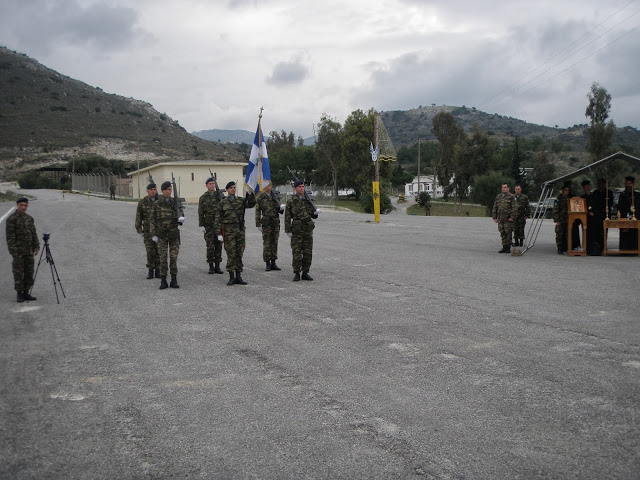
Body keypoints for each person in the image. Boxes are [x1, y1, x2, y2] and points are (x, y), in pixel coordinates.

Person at [215, 181, 256, 285]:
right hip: (229, 232)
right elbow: (218, 219)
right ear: (227, 190)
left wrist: (250, 194)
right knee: (231, 253)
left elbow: (251, 204)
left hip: (240, 230)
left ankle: (239, 276)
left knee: (239, 253)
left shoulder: (240, 201)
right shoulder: (223, 203)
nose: (233, 189)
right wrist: (218, 233)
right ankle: (231, 276)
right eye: (231, 188)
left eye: (234, 187)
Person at [150, 181, 184, 289]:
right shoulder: (157, 204)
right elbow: (152, 220)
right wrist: (153, 234)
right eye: (166, 190)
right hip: (162, 236)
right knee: (163, 259)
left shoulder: (175, 203)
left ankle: (174, 280)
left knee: (173, 258)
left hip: (174, 235)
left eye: (170, 190)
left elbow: (181, 216)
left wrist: (181, 218)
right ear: (162, 191)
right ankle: (163, 281)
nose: (168, 192)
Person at [6, 197, 39, 303]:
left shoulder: (29, 218)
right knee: (18, 272)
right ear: (17, 205)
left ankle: (26, 292)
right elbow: (10, 237)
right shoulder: (12, 219)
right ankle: (19, 293)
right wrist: (13, 251)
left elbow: (33, 233)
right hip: (18, 252)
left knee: (29, 271)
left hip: (29, 250)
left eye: (25, 205)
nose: (24, 207)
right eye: (22, 205)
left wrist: (36, 246)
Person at [285, 180, 318, 281]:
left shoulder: (308, 200)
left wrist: (315, 213)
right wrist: (288, 230)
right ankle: (296, 273)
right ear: (295, 189)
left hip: (307, 230)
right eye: (299, 187)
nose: (301, 188)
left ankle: (305, 272)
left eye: (303, 186)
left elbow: (313, 214)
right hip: (297, 230)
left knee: (308, 252)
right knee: (297, 252)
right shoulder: (291, 201)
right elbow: (287, 217)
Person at [255, 184, 284, 271]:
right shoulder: (260, 198)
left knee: (274, 242)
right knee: (267, 243)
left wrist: (281, 208)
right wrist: (258, 223)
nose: (269, 188)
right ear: (264, 187)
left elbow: (280, 211)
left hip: (275, 222)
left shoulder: (275, 196)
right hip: (266, 222)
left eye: (270, 186)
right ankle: (267, 262)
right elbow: (257, 211)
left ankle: (273, 262)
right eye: (267, 186)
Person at [198, 177, 224, 275]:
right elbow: (200, 212)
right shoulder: (203, 198)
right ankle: (211, 266)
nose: (212, 185)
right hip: (208, 225)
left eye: (213, 183)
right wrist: (201, 225)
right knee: (210, 246)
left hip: (219, 224)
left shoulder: (219, 196)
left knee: (218, 246)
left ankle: (217, 265)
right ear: (206, 186)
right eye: (210, 184)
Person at [135, 182, 160, 279]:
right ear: (147, 191)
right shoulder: (142, 202)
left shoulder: (160, 200)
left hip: (158, 231)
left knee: (158, 251)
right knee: (150, 251)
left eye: (155, 189)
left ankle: (158, 270)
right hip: (147, 231)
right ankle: (150, 270)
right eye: (151, 190)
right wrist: (139, 229)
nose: (153, 191)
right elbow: (138, 217)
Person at [492, 183, 516, 253]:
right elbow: (495, 207)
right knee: (502, 232)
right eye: (502, 187)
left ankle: (508, 247)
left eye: (505, 187)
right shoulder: (498, 196)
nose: (503, 189)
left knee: (508, 232)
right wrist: (494, 217)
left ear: (508, 188)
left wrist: (512, 217)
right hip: (500, 218)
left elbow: (514, 208)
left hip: (508, 219)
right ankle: (504, 246)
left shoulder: (511, 197)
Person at [591, 178, 613, 254]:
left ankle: (603, 246)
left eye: (600, 184)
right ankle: (597, 247)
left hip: (604, 214)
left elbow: (610, 203)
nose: (599, 185)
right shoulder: (595, 192)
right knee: (596, 232)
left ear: (604, 184)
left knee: (604, 232)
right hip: (596, 216)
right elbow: (593, 203)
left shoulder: (609, 192)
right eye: (598, 184)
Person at [617, 175, 639, 251]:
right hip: (624, 217)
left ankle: (635, 249)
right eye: (627, 184)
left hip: (635, 217)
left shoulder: (637, 195)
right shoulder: (622, 195)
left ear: (633, 184)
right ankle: (624, 250)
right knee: (625, 234)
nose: (628, 185)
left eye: (630, 184)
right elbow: (620, 206)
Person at [553, 183, 572, 254]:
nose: (566, 191)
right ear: (562, 191)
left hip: (568, 219)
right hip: (560, 219)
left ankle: (566, 248)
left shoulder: (569, 199)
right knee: (559, 234)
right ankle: (559, 248)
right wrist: (557, 220)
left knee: (567, 234)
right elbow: (555, 210)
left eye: (568, 190)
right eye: (565, 190)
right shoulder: (558, 199)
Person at [581, 180, 596, 255]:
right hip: (585, 218)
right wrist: (587, 213)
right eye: (586, 187)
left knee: (593, 234)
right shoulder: (582, 198)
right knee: (586, 234)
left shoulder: (594, 196)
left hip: (593, 219)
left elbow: (596, 206)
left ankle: (593, 249)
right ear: (583, 189)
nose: (588, 188)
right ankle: (586, 249)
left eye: (588, 187)